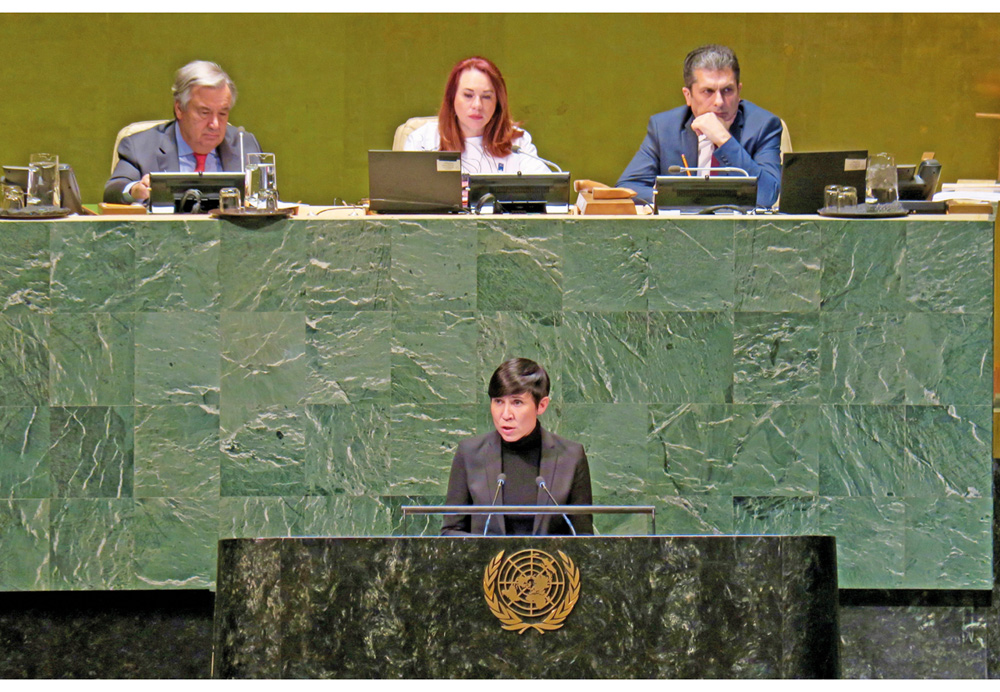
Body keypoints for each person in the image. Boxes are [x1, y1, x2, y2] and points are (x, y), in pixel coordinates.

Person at [616, 44, 783, 208]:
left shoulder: (763, 126)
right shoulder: (665, 128)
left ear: (739, 92)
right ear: (688, 96)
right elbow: (627, 189)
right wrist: (674, 198)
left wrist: (724, 140)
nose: (719, 102)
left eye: (727, 90)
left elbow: (767, 195)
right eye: (708, 91)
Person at [442, 358, 594, 536]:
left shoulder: (570, 457)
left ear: (542, 405)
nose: (505, 415)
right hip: (485, 563)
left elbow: (583, 541)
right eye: (498, 401)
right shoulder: (469, 454)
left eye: (517, 402)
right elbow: (451, 532)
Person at [104, 60, 262, 204]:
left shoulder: (244, 146)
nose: (215, 124)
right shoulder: (141, 146)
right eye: (204, 113)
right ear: (179, 109)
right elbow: (114, 191)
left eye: (222, 113)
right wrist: (135, 190)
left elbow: (266, 201)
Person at [405, 56, 551, 175]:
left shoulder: (517, 143)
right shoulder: (423, 141)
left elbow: (548, 192)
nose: (477, 105)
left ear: (498, 102)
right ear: (452, 98)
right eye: (468, 95)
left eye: (486, 97)